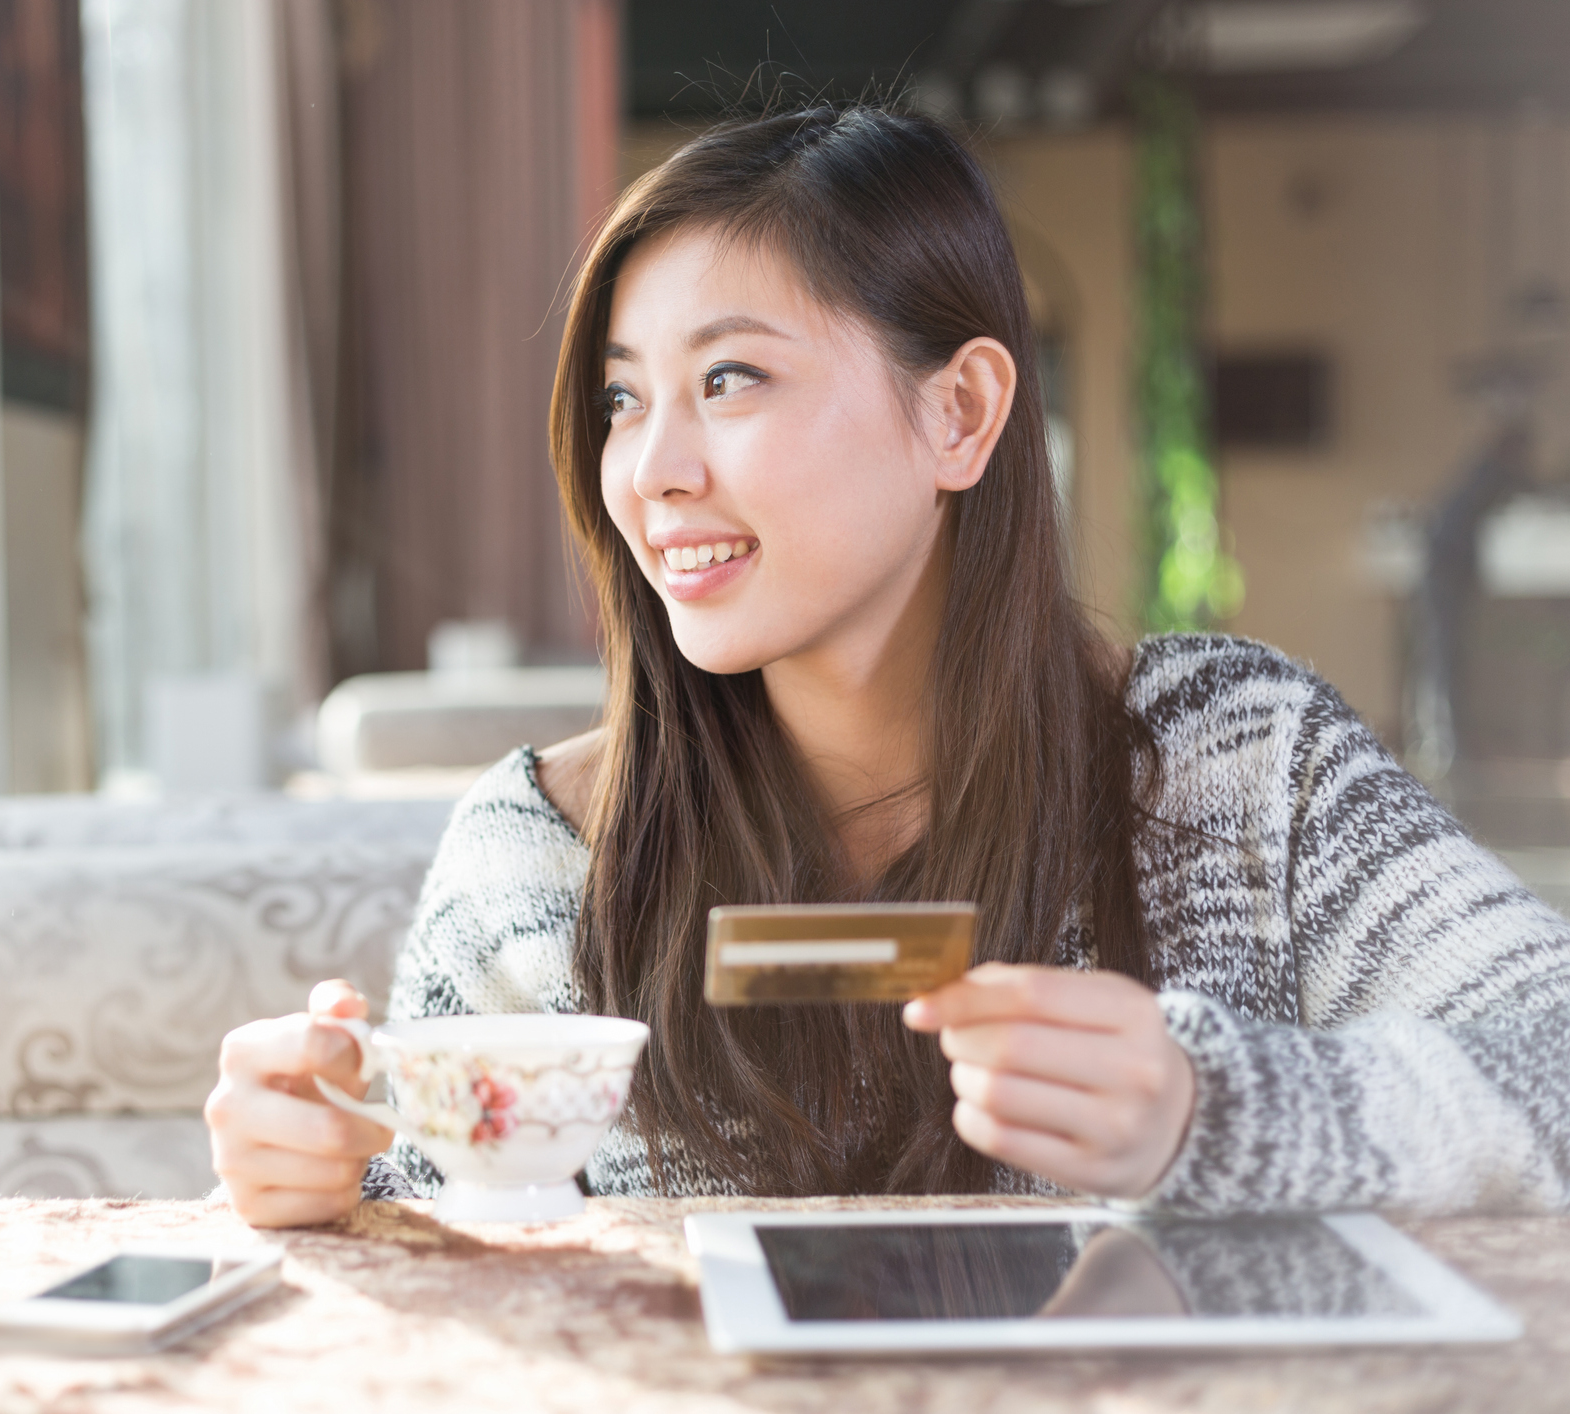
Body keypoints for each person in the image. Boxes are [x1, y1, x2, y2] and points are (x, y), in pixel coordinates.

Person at [204, 105, 1570, 1229]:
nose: (652, 472)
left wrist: (1216, 1107)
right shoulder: (537, 853)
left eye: (729, 379)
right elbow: (443, 1222)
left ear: (959, 412)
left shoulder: (1236, 763)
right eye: (623, 398)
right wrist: (320, 1171)